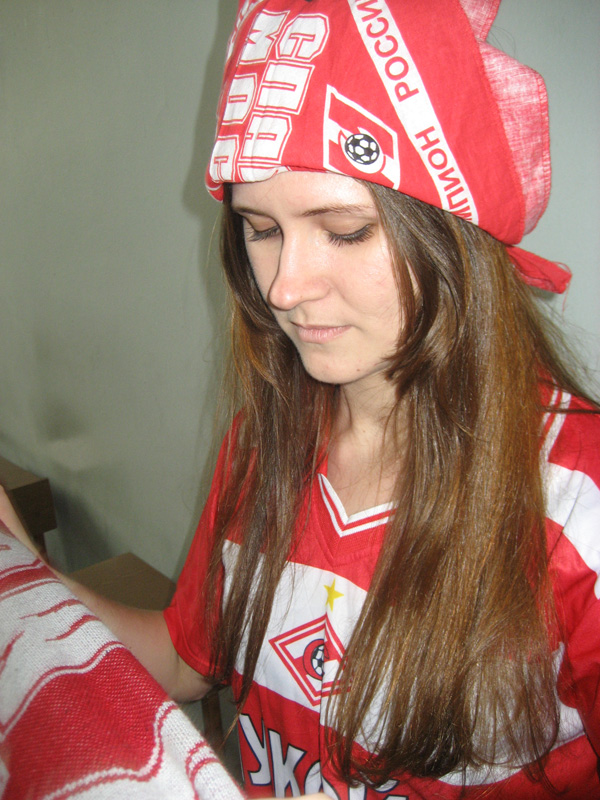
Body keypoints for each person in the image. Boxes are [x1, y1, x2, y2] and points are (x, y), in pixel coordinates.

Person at [2, 0, 600, 797]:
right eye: (261, 228)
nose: (284, 288)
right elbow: (187, 660)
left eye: (344, 230)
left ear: (453, 237)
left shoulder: (578, 501)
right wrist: (30, 577)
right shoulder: (266, 443)